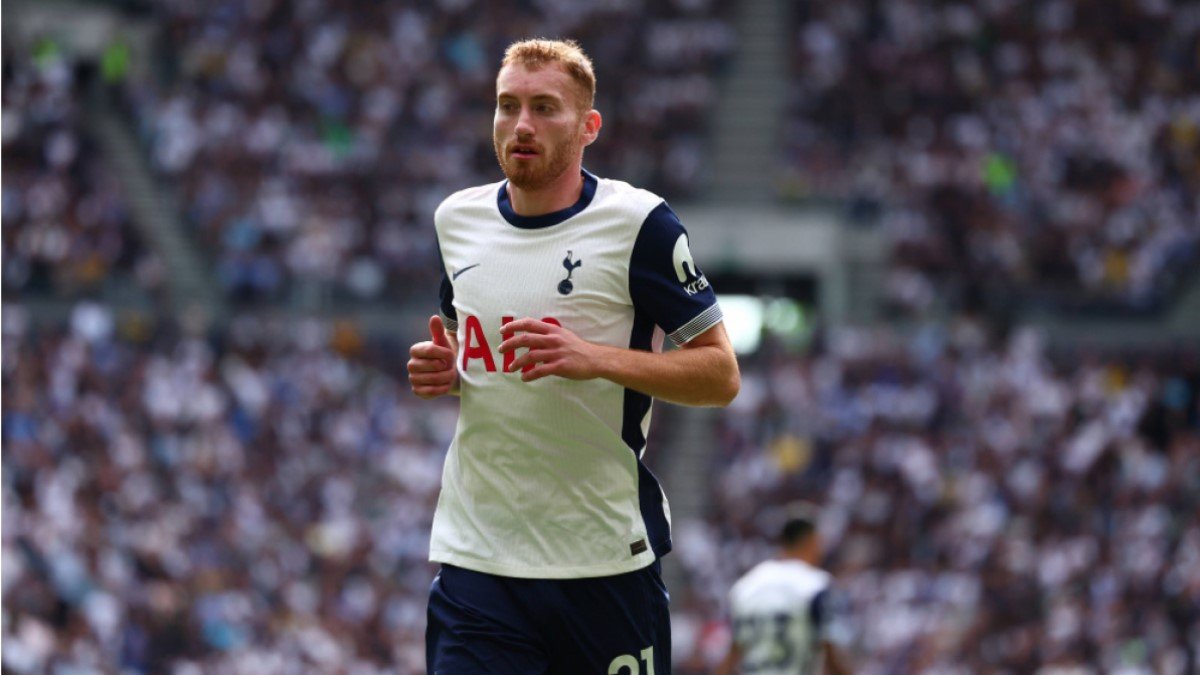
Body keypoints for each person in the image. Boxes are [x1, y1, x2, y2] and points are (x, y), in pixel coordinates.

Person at [406, 38, 740, 674]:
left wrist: (597, 358)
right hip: (479, 561)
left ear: (589, 127)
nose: (521, 125)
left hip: (602, 560)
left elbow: (721, 375)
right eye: (508, 105)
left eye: (544, 107)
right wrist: (446, 372)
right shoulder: (457, 220)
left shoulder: (640, 225)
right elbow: (474, 356)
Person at [715, 504, 852, 675]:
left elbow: (732, 655)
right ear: (811, 540)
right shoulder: (815, 584)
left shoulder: (745, 587)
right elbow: (830, 652)